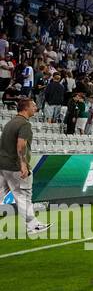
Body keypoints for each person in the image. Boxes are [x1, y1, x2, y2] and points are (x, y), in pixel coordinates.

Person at [0, 98, 47, 234]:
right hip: (15, 167)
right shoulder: (24, 124)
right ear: (26, 108)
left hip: (3, 165)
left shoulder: (10, 122)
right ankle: (32, 226)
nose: (36, 107)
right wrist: (23, 165)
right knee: (23, 195)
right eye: (33, 105)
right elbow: (21, 146)